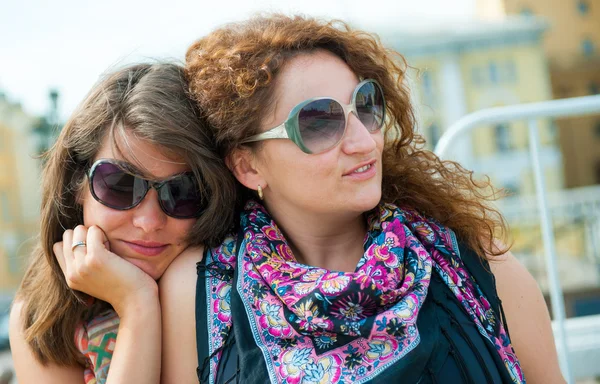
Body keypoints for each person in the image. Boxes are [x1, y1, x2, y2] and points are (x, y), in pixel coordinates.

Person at [160, 15, 565, 383]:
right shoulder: (198, 293)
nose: (363, 141)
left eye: (365, 105)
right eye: (319, 122)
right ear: (248, 166)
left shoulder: (478, 264)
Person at [9, 63, 235, 384]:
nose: (149, 221)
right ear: (77, 184)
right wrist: (137, 305)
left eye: (183, 192)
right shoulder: (41, 317)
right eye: (120, 184)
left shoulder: (238, 288)